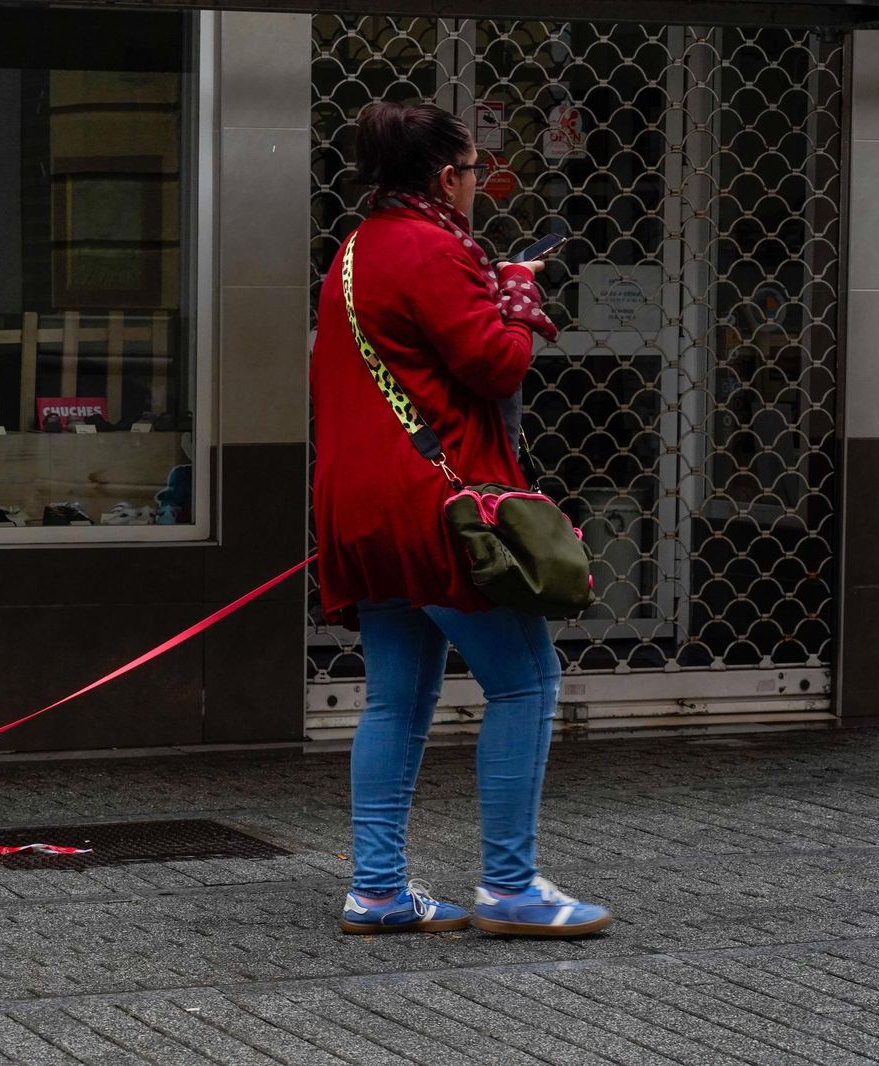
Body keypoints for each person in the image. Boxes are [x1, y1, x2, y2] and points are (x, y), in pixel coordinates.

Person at [311, 100, 611, 938]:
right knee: (527, 684)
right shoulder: (436, 250)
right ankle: (510, 888)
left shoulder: (355, 249)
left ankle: (376, 890)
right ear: (447, 175)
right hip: (440, 506)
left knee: (395, 702)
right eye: (476, 170)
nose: (480, 184)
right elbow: (495, 361)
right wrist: (515, 294)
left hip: (362, 506)